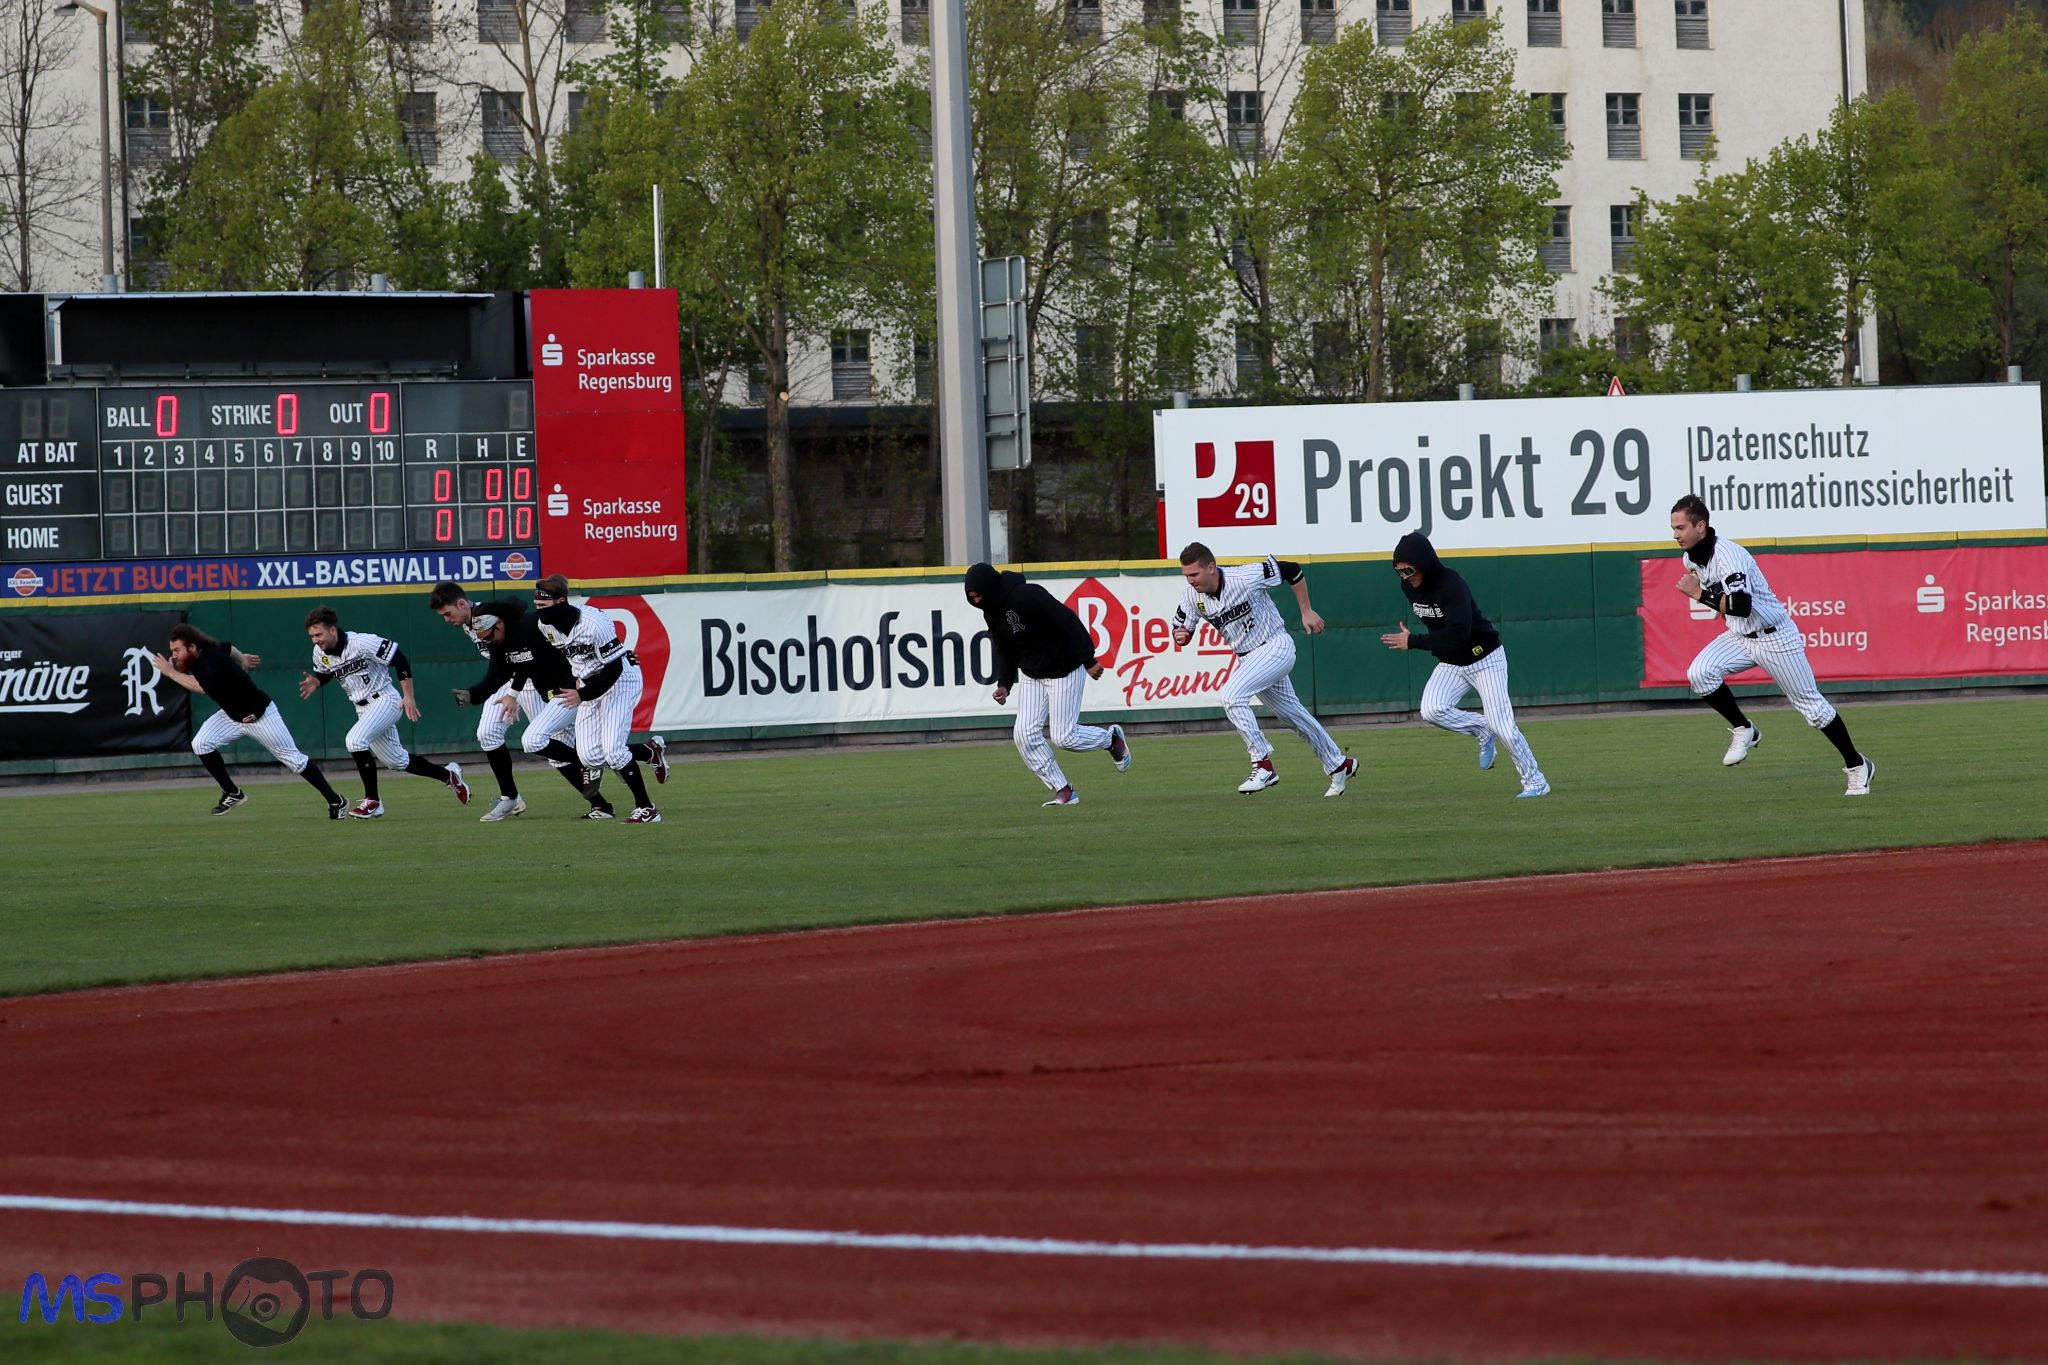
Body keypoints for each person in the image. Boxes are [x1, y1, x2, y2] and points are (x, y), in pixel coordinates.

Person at [1669, 493, 1875, 796]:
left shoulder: (1728, 556)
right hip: (1740, 636)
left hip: (1774, 636)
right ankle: (1744, 729)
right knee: (1700, 672)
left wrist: (1699, 595)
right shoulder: (1691, 558)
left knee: (1813, 710)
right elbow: (1730, 609)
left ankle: (1858, 765)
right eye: (1673, 528)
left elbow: (1741, 604)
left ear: (1701, 526)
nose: (1675, 535)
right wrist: (1706, 594)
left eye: (1681, 528)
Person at [1170, 543, 1356, 796]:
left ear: (1211, 568)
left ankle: (1262, 764)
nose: (1190, 580)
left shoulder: (1244, 577)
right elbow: (1182, 627)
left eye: (1194, 574)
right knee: (1294, 716)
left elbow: (1292, 570)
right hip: (1249, 659)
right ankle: (1338, 764)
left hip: (1275, 646)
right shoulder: (1193, 596)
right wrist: (1180, 635)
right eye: (1187, 575)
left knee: (1231, 696)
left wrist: (1306, 611)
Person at [1378, 531, 1550, 799]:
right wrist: (1423, 641)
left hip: (1485, 658)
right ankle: (1482, 729)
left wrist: (1414, 641)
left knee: (1503, 726)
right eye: (1399, 571)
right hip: (1452, 661)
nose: (1405, 576)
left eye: (1409, 569)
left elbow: (1459, 632)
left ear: (1423, 562)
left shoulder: (1451, 584)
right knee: (1431, 710)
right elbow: (1441, 630)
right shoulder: (1408, 587)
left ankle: (1535, 781)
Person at [428, 581, 619, 821]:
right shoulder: (473, 625)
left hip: (529, 679)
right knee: (487, 733)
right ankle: (510, 798)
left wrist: (514, 694)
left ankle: (600, 801)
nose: (447, 619)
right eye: (443, 616)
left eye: (448, 613)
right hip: (509, 677)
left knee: (551, 746)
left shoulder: (487, 615)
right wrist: (475, 694)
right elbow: (499, 668)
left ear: (463, 604)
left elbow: (522, 644)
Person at [965, 562, 1131, 807]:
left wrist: (1089, 659)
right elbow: (1004, 649)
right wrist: (1005, 684)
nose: (976, 600)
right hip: (1032, 675)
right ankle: (1063, 789)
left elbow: (1068, 621)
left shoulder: (1027, 594)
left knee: (1064, 737)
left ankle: (1111, 740)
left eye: (978, 594)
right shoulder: (990, 610)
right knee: (1023, 734)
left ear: (990, 586)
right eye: (971, 597)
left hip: (1065, 668)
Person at [149, 624, 348, 818]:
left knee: (295, 761)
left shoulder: (211, 661)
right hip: (231, 715)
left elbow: (199, 687)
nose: (173, 655)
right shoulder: (206, 651)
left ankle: (336, 801)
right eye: (172, 651)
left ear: (192, 647)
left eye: (177, 650)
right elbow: (228, 646)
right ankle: (232, 792)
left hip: (260, 716)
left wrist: (170, 673)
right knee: (201, 743)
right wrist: (242, 658)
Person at [299, 605, 472, 818]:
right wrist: (317, 681)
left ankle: (372, 800)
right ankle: (450, 776)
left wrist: (408, 696)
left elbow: (398, 658)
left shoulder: (361, 643)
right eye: (312, 635)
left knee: (354, 740)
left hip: (385, 700)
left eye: (319, 634)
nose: (315, 639)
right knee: (397, 761)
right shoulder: (320, 652)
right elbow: (326, 672)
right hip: (362, 708)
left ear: (332, 630)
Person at [529, 574, 667, 824]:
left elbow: (613, 670)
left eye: (543, 606)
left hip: (619, 680)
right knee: (590, 757)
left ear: (560, 602)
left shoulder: (593, 622)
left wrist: (581, 694)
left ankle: (647, 808)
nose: (539, 612)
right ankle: (648, 752)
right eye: (536, 606)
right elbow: (570, 661)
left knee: (614, 751)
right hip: (588, 684)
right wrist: (573, 688)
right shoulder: (545, 626)